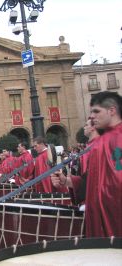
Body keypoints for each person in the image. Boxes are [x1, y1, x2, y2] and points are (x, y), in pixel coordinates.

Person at [52, 91, 122, 237]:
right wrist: (67, 181)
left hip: (113, 219)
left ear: (112, 111)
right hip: (99, 214)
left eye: (96, 111)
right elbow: (90, 180)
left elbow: (117, 179)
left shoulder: (117, 139)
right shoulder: (102, 142)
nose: (91, 116)